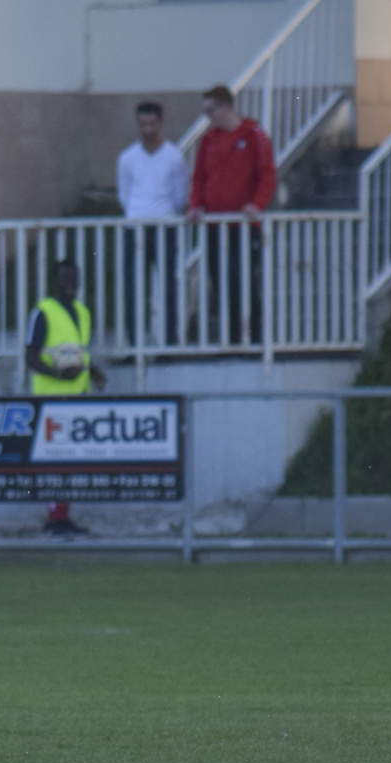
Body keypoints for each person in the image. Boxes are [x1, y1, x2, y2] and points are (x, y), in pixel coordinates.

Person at [186, 85, 276, 346]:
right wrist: (195, 205)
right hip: (215, 225)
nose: (208, 117)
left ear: (225, 107)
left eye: (211, 111)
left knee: (243, 280)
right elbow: (199, 178)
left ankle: (255, 338)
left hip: (243, 226)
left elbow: (267, 175)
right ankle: (232, 339)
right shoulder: (208, 140)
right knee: (220, 282)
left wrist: (256, 205)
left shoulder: (254, 135)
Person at [25, 260, 103, 537]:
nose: (70, 283)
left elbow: (79, 353)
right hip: (51, 398)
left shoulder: (83, 312)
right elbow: (30, 356)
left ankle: (62, 515)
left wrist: (93, 372)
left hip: (77, 396)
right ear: (55, 281)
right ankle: (54, 518)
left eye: (74, 278)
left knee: (70, 460)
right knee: (54, 460)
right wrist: (57, 374)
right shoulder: (43, 312)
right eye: (65, 278)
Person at [118, 102, 188, 347]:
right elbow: (125, 195)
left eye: (152, 124)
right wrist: (138, 213)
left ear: (161, 123)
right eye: (143, 124)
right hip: (135, 228)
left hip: (164, 229)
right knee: (133, 288)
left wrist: (163, 213)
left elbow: (180, 196)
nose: (147, 130)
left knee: (168, 287)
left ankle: (168, 343)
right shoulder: (127, 158)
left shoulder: (174, 157)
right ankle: (135, 344)